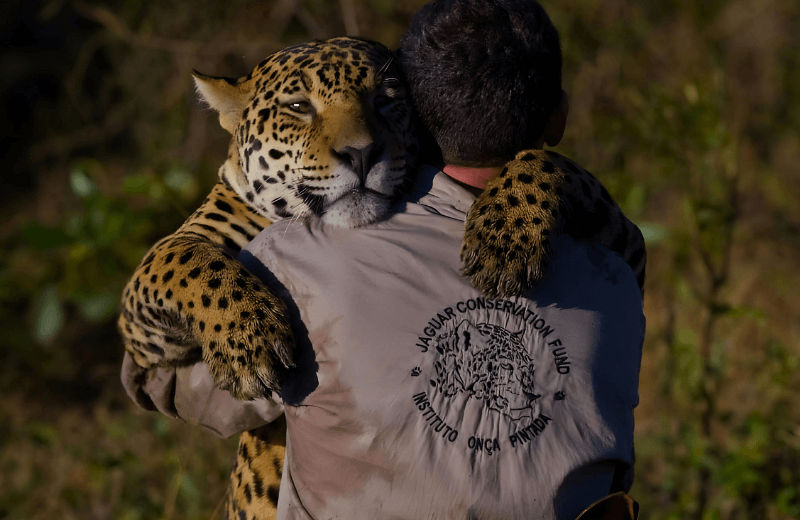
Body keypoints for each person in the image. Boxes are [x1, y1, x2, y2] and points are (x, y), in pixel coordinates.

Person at [124, 0, 644, 518]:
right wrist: (219, 305)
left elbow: (157, 375)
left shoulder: (299, 262)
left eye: (383, 103)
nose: (356, 140)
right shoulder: (611, 280)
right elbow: (161, 281)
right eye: (298, 108)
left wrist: (541, 176)